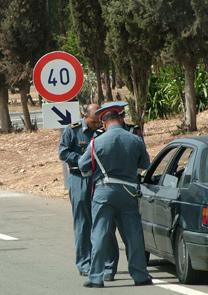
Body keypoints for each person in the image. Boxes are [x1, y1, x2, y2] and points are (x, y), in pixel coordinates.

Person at [78, 101, 152, 288]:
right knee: (133, 234)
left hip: (104, 192)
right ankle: (140, 275)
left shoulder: (97, 142)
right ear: (121, 119)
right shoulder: (135, 139)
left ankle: (96, 277)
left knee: (100, 233)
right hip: (128, 191)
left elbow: (82, 165)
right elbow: (145, 164)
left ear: (104, 123)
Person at [59, 104, 119, 281]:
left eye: (99, 121)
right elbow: (63, 152)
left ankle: (108, 264)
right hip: (79, 179)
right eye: (94, 121)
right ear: (86, 117)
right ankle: (85, 263)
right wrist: (82, 159)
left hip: (100, 179)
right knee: (83, 222)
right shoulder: (72, 130)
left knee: (104, 221)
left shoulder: (104, 131)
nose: (96, 124)